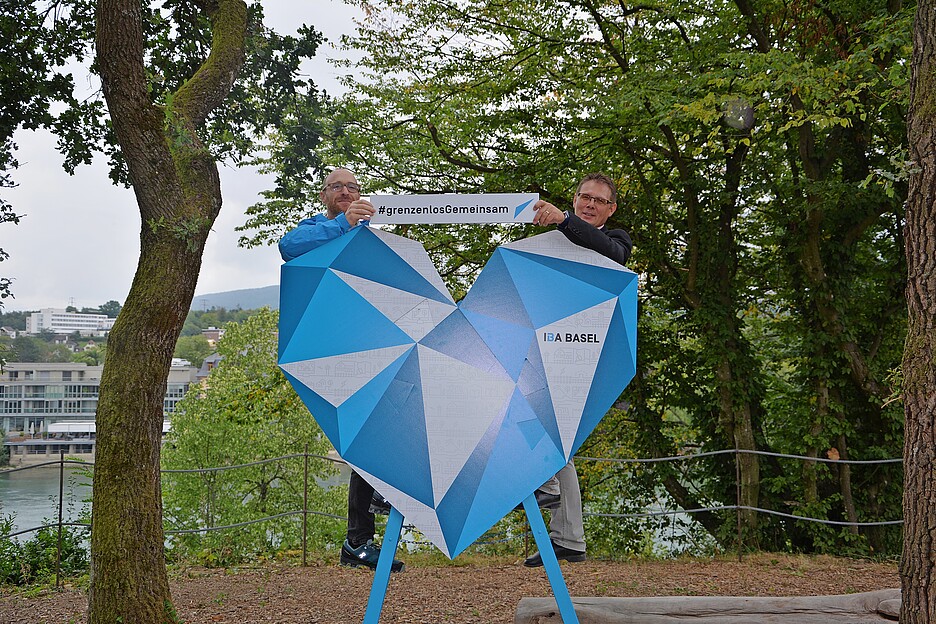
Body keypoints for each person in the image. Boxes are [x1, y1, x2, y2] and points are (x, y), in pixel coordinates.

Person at [279, 167, 404, 573]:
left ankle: (360, 537)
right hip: (332, 348)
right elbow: (289, 246)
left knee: (377, 431)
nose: (347, 193)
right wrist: (342, 225)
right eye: (338, 187)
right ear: (324, 195)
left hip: (377, 344)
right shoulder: (317, 228)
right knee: (363, 434)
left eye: (353, 188)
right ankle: (363, 529)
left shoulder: (371, 236)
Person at [522, 172, 633, 568]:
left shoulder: (616, 240)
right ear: (573, 198)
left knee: (546, 429)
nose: (589, 204)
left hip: (587, 356)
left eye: (599, 200)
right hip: (544, 349)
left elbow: (612, 255)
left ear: (611, 209)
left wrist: (563, 222)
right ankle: (568, 537)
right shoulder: (550, 241)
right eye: (584, 197)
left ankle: (545, 486)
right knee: (559, 442)